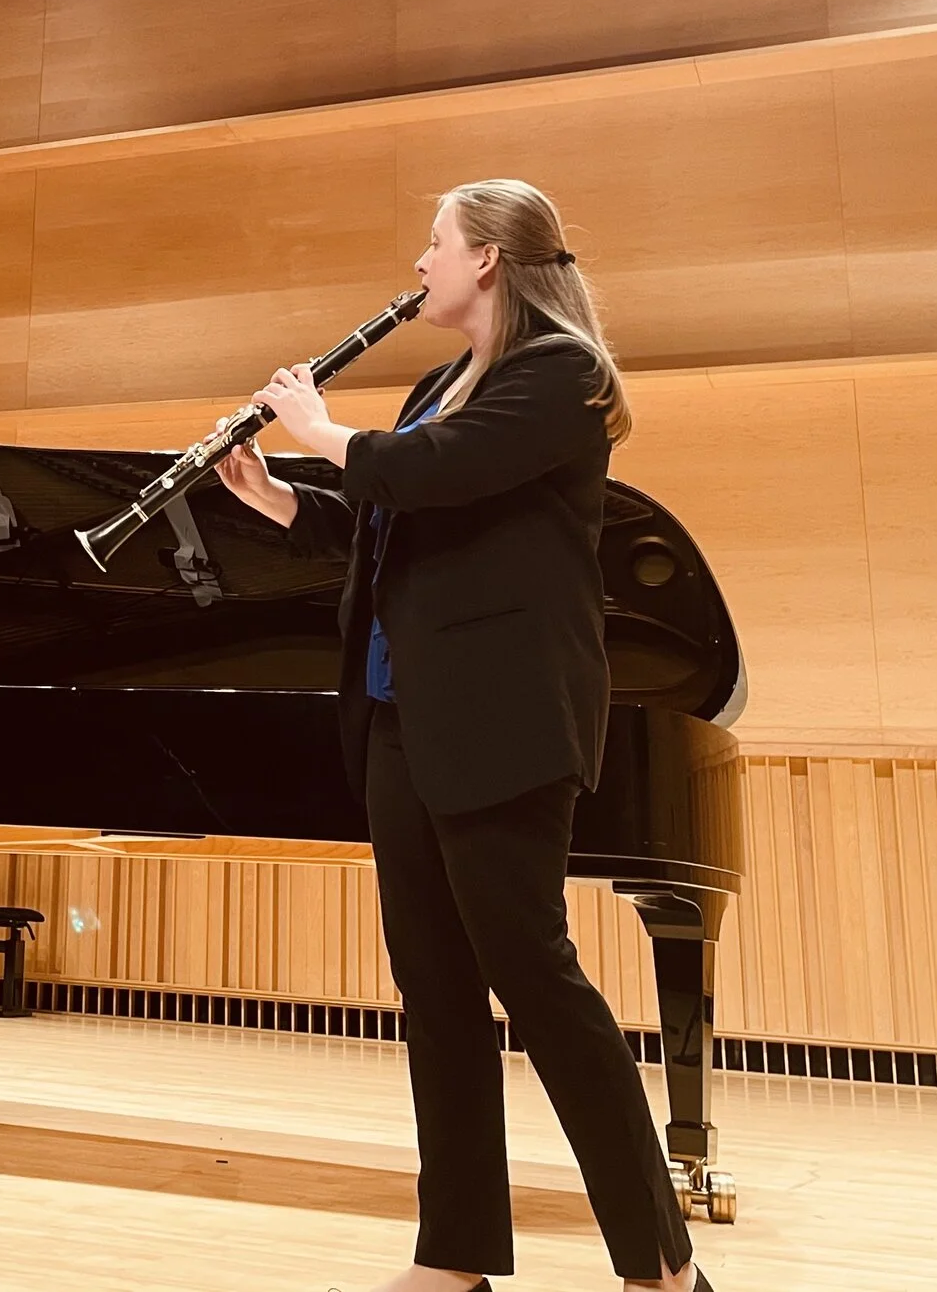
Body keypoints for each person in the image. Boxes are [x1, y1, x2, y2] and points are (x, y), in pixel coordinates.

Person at [214, 178, 710, 1292]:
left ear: (486, 258)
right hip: (403, 716)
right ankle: (454, 1259)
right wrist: (286, 498)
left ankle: (661, 1267)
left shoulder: (561, 377)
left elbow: (432, 473)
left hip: (503, 720)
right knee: (434, 995)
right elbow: (396, 515)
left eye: (433, 243)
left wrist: (323, 432)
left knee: (536, 983)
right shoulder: (445, 380)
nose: (419, 260)